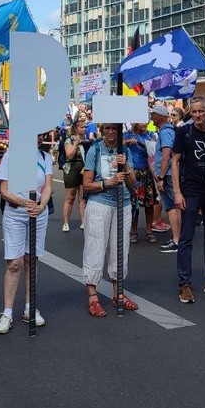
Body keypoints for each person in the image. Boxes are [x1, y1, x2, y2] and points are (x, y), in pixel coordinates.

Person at [0, 133, 53, 333]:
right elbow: (4, 189)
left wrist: (41, 204)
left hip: (38, 213)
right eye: (35, 133)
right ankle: (7, 312)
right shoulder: (12, 155)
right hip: (15, 213)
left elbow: (47, 187)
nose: (38, 138)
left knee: (31, 260)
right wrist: (23, 202)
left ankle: (30, 308)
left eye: (42, 135)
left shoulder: (45, 158)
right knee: (14, 263)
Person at [171, 96, 205, 303]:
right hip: (191, 191)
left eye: (200, 112)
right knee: (186, 238)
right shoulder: (183, 132)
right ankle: (184, 284)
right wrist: (177, 192)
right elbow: (175, 162)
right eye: (193, 112)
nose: (197, 116)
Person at [80, 123, 139, 316]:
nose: (111, 132)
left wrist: (126, 167)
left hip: (123, 204)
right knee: (95, 247)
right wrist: (108, 183)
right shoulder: (95, 149)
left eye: (115, 129)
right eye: (108, 129)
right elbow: (87, 185)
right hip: (100, 204)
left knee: (120, 249)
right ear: (102, 130)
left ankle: (118, 294)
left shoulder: (125, 150)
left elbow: (133, 185)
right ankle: (93, 297)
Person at [152, 104, 179, 252]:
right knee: (172, 207)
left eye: (153, 114)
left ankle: (177, 240)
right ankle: (177, 238)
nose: (151, 117)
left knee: (172, 208)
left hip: (167, 176)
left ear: (161, 116)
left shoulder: (166, 132)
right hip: (167, 175)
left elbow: (166, 156)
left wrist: (161, 177)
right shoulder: (165, 131)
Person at [124, 122, 157, 243]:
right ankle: (133, 231)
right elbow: (118, 145)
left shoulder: (150, 135)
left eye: (145, 121)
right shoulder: (127, 134)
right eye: (141, 122)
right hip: (133, 173)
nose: (144, 124)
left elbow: (154, 149)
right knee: (134, 204)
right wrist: (127, 142)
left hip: (147, 172)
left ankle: (149, 231)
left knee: (150, 203)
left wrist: (139, 143)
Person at [60, 113, 87, 232]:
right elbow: (69, 155)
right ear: (76, 128)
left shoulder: (86, 141)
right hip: (71, 170)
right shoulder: (69, 140)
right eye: (82, 127)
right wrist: (76, 143)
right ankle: (66, 222)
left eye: (85, 127)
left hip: (83, 170)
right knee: (70, 198)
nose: (84, 129)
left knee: (82, 198)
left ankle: (83, 222)